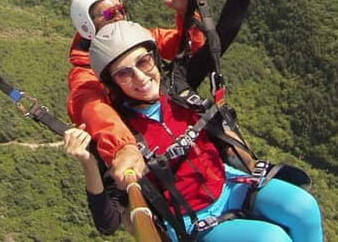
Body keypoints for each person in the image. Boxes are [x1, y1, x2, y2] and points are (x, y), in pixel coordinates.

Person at [67, 0, 283, 187]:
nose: (119, 16)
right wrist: (125, 148)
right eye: (109, 13)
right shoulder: (83, 75)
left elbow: (197, 47)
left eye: (121, 8)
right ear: (87, 25)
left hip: (189, 144)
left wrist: (185, 14)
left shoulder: (139, 39)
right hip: (158, 158)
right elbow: (96, 112)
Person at [76, 20, 324, 242]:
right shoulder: (120, 134)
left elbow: (220, 36)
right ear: (113, 84)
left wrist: (190, 10)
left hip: (232, 183)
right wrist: (88, 162)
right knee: (271, 239)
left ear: (155, 57)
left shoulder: (179, 92)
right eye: (124, 73)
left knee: (304, 208)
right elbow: (107, 222)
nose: (140, 77)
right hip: (194, 222)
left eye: (143, 61)